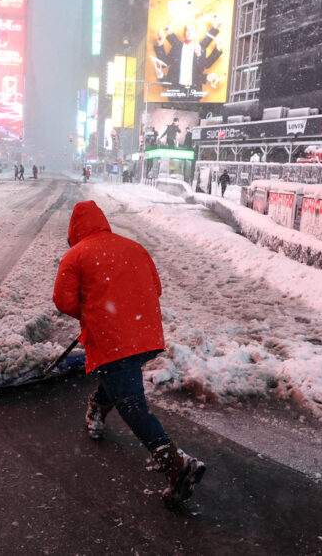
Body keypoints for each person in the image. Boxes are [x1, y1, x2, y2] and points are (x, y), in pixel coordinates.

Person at [53, 201, 206, 507]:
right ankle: (96, 410)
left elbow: (63, 301)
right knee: (117, 379)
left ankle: (176, 463)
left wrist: (95, 309)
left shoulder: (76, 254)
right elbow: (156, 288)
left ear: (74, 230)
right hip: (145, 335)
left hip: (113, 338)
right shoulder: (134, 246)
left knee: (131, 402)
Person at [151, 17, 223, 100]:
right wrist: (160, 44)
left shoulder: (200, 48)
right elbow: (164, 63)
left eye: (192, 30)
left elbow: (206, 63)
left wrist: (216, 32)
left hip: (194, 93)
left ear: (196, 33)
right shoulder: (177, 48)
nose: (189, 32)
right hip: (176, 92)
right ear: (184, 33)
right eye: (187, 30)